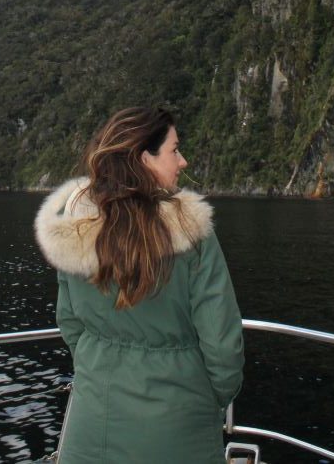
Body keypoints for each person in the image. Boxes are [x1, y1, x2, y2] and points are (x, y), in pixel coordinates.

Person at [34, 106, 244, 463]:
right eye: (174, 150)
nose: (184, 161)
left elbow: (69, 322)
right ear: (145, 158)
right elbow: (222, 343)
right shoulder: (193, 235)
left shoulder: (75, 231)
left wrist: (98, 367)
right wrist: (210, 398)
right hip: (179, 428)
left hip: (92, 425)